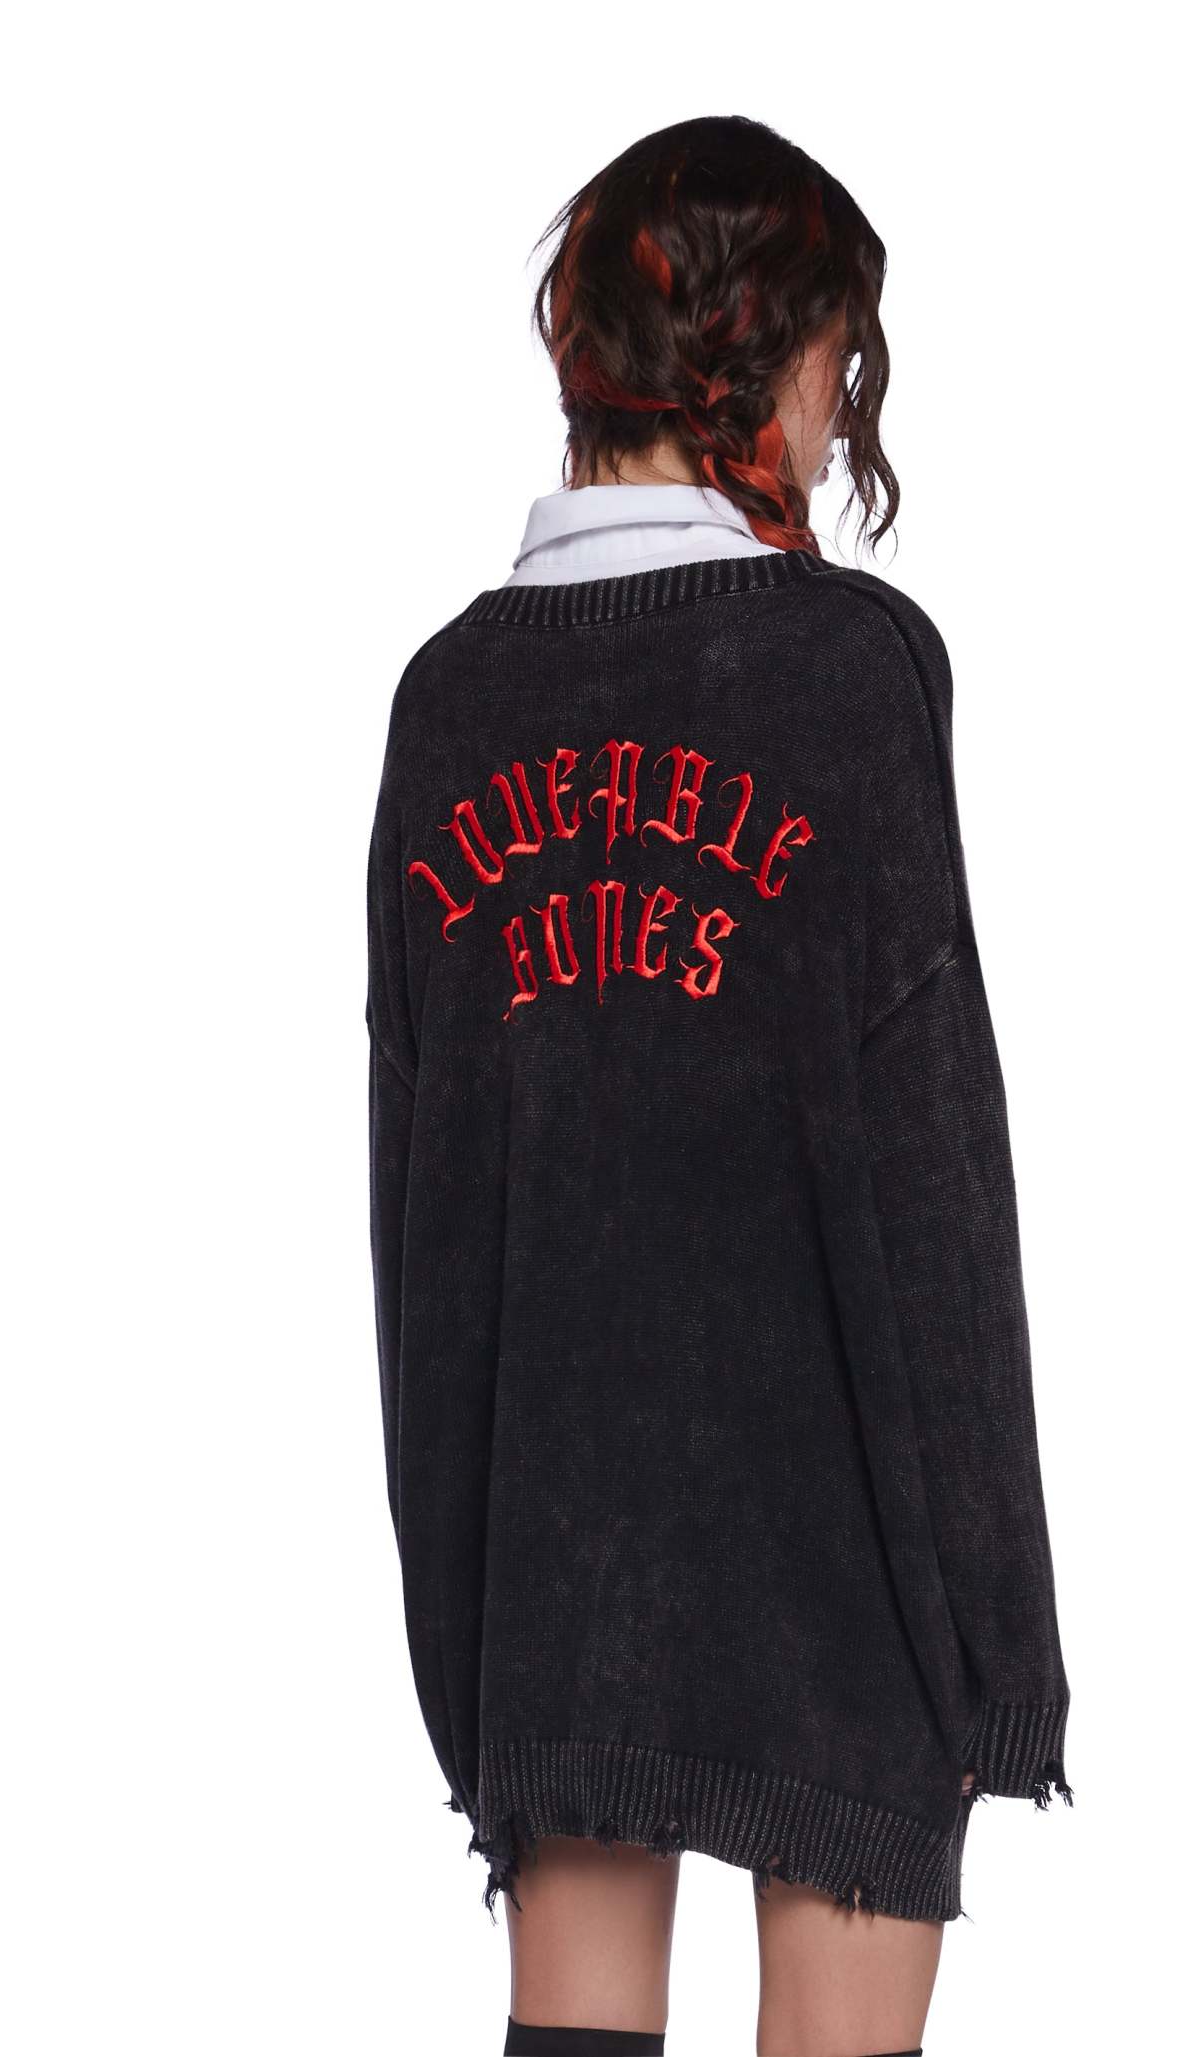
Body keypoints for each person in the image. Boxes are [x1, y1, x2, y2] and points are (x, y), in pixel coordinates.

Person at [366, 114, 1070, 2057]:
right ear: (758, 354)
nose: (841, 422)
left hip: (556, 1552)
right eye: (839, 361)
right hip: (842, 1543)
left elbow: (419, 1220)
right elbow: (936, 1169)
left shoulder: (450, 703)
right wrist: (998, 1636)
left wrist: (470, 1646)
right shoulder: (850, 673)